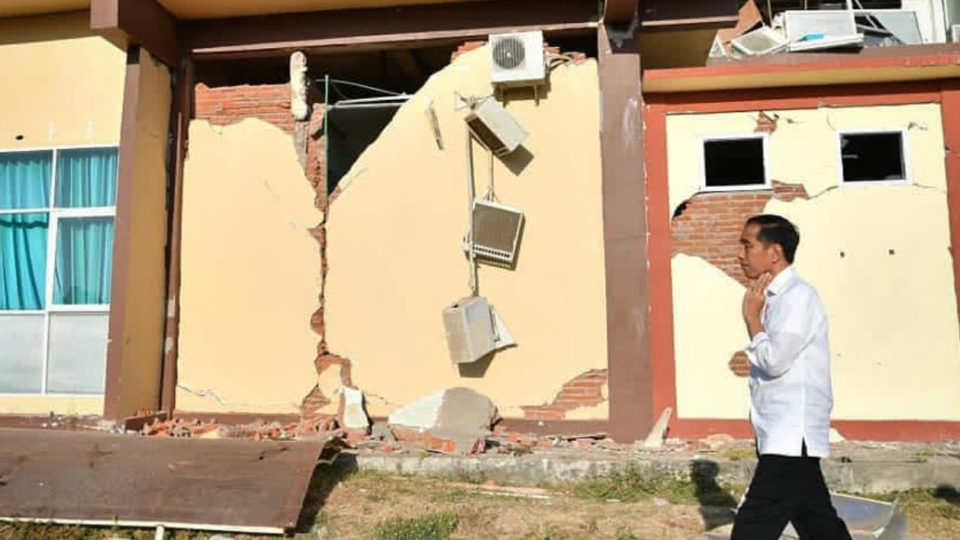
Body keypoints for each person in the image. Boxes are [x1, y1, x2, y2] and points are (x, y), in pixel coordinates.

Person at [731, 214, 852, 540]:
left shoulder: (798, 297)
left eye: (747, 245)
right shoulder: (775, 298)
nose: (739, 255)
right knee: (818, 523)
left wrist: (751, 319)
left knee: (752, 527)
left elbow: (775, 361)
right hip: (783, 435)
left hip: (790, 436)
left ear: (775, 252)